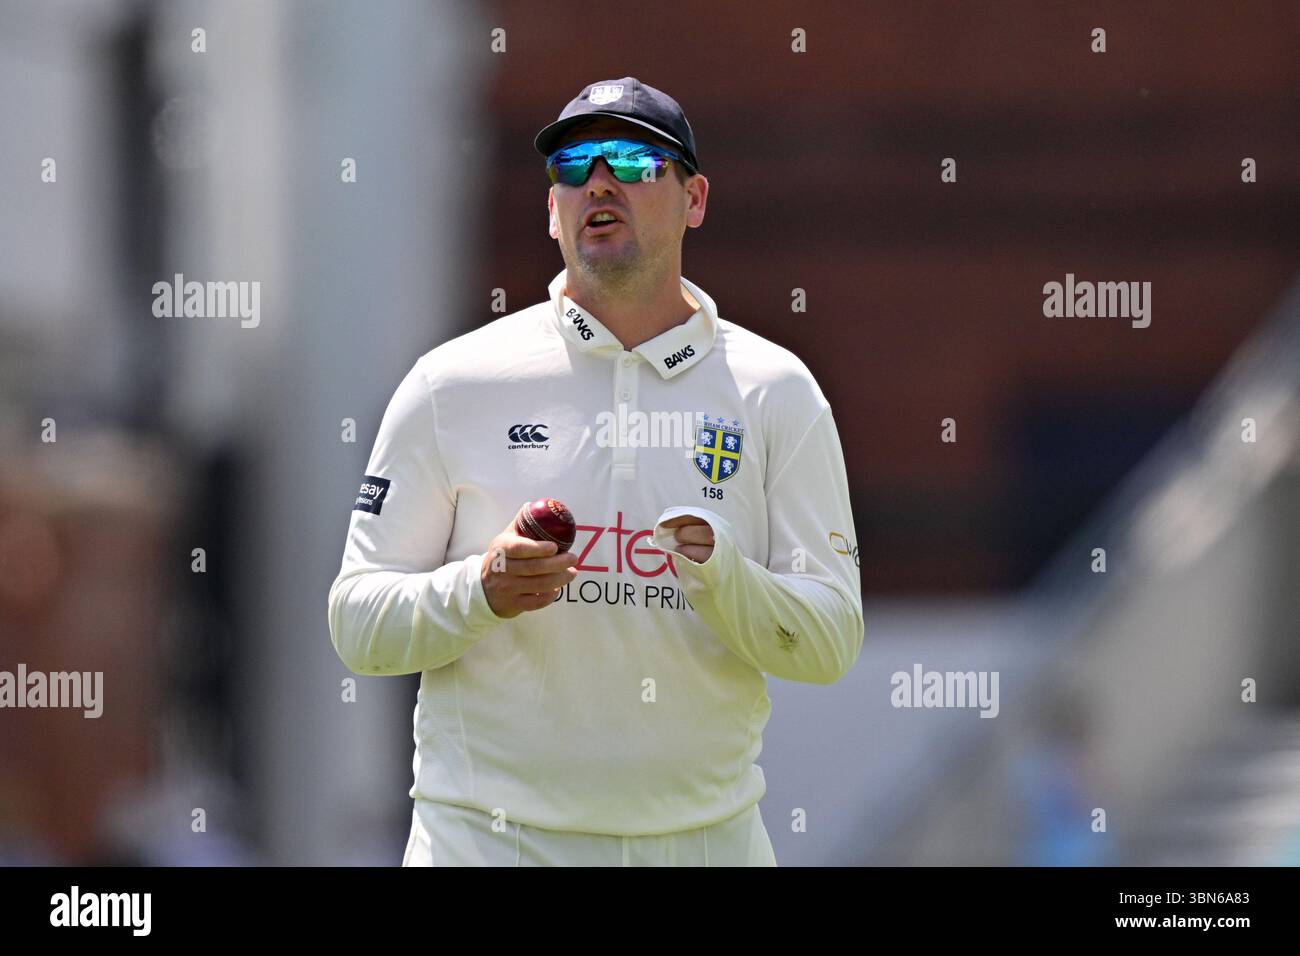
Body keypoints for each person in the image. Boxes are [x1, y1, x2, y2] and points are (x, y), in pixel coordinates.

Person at [327, 77, 864, 866]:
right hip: (484, 843)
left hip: (704, 845)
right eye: (573, 165)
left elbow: (829, 644)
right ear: (553, 210)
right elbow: (357, 623)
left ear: (695, 199)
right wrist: (480, 590)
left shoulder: (776, 391)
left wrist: (725, 576)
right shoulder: (453, 383)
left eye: (635, 160)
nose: (598, 182)